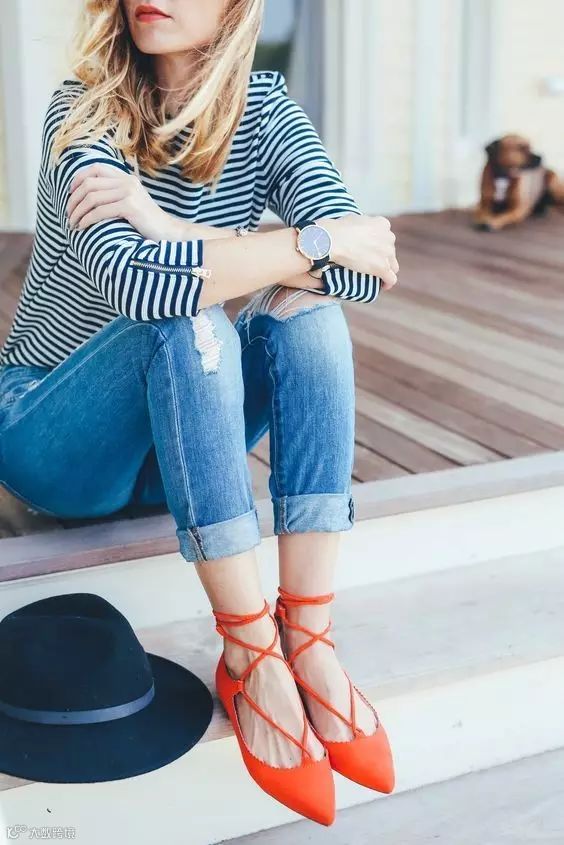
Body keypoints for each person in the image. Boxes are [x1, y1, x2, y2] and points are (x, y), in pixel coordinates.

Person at [0, 0, 398, 825]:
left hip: (173, 437)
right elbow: (139, 286)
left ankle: (309, 638)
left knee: (308, 314)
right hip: (52, 432)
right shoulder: (87, 109)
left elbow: (367, 267)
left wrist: (161, 221)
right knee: (188, 316)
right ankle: (249, 649)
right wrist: (311, 243)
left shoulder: (266, 113)